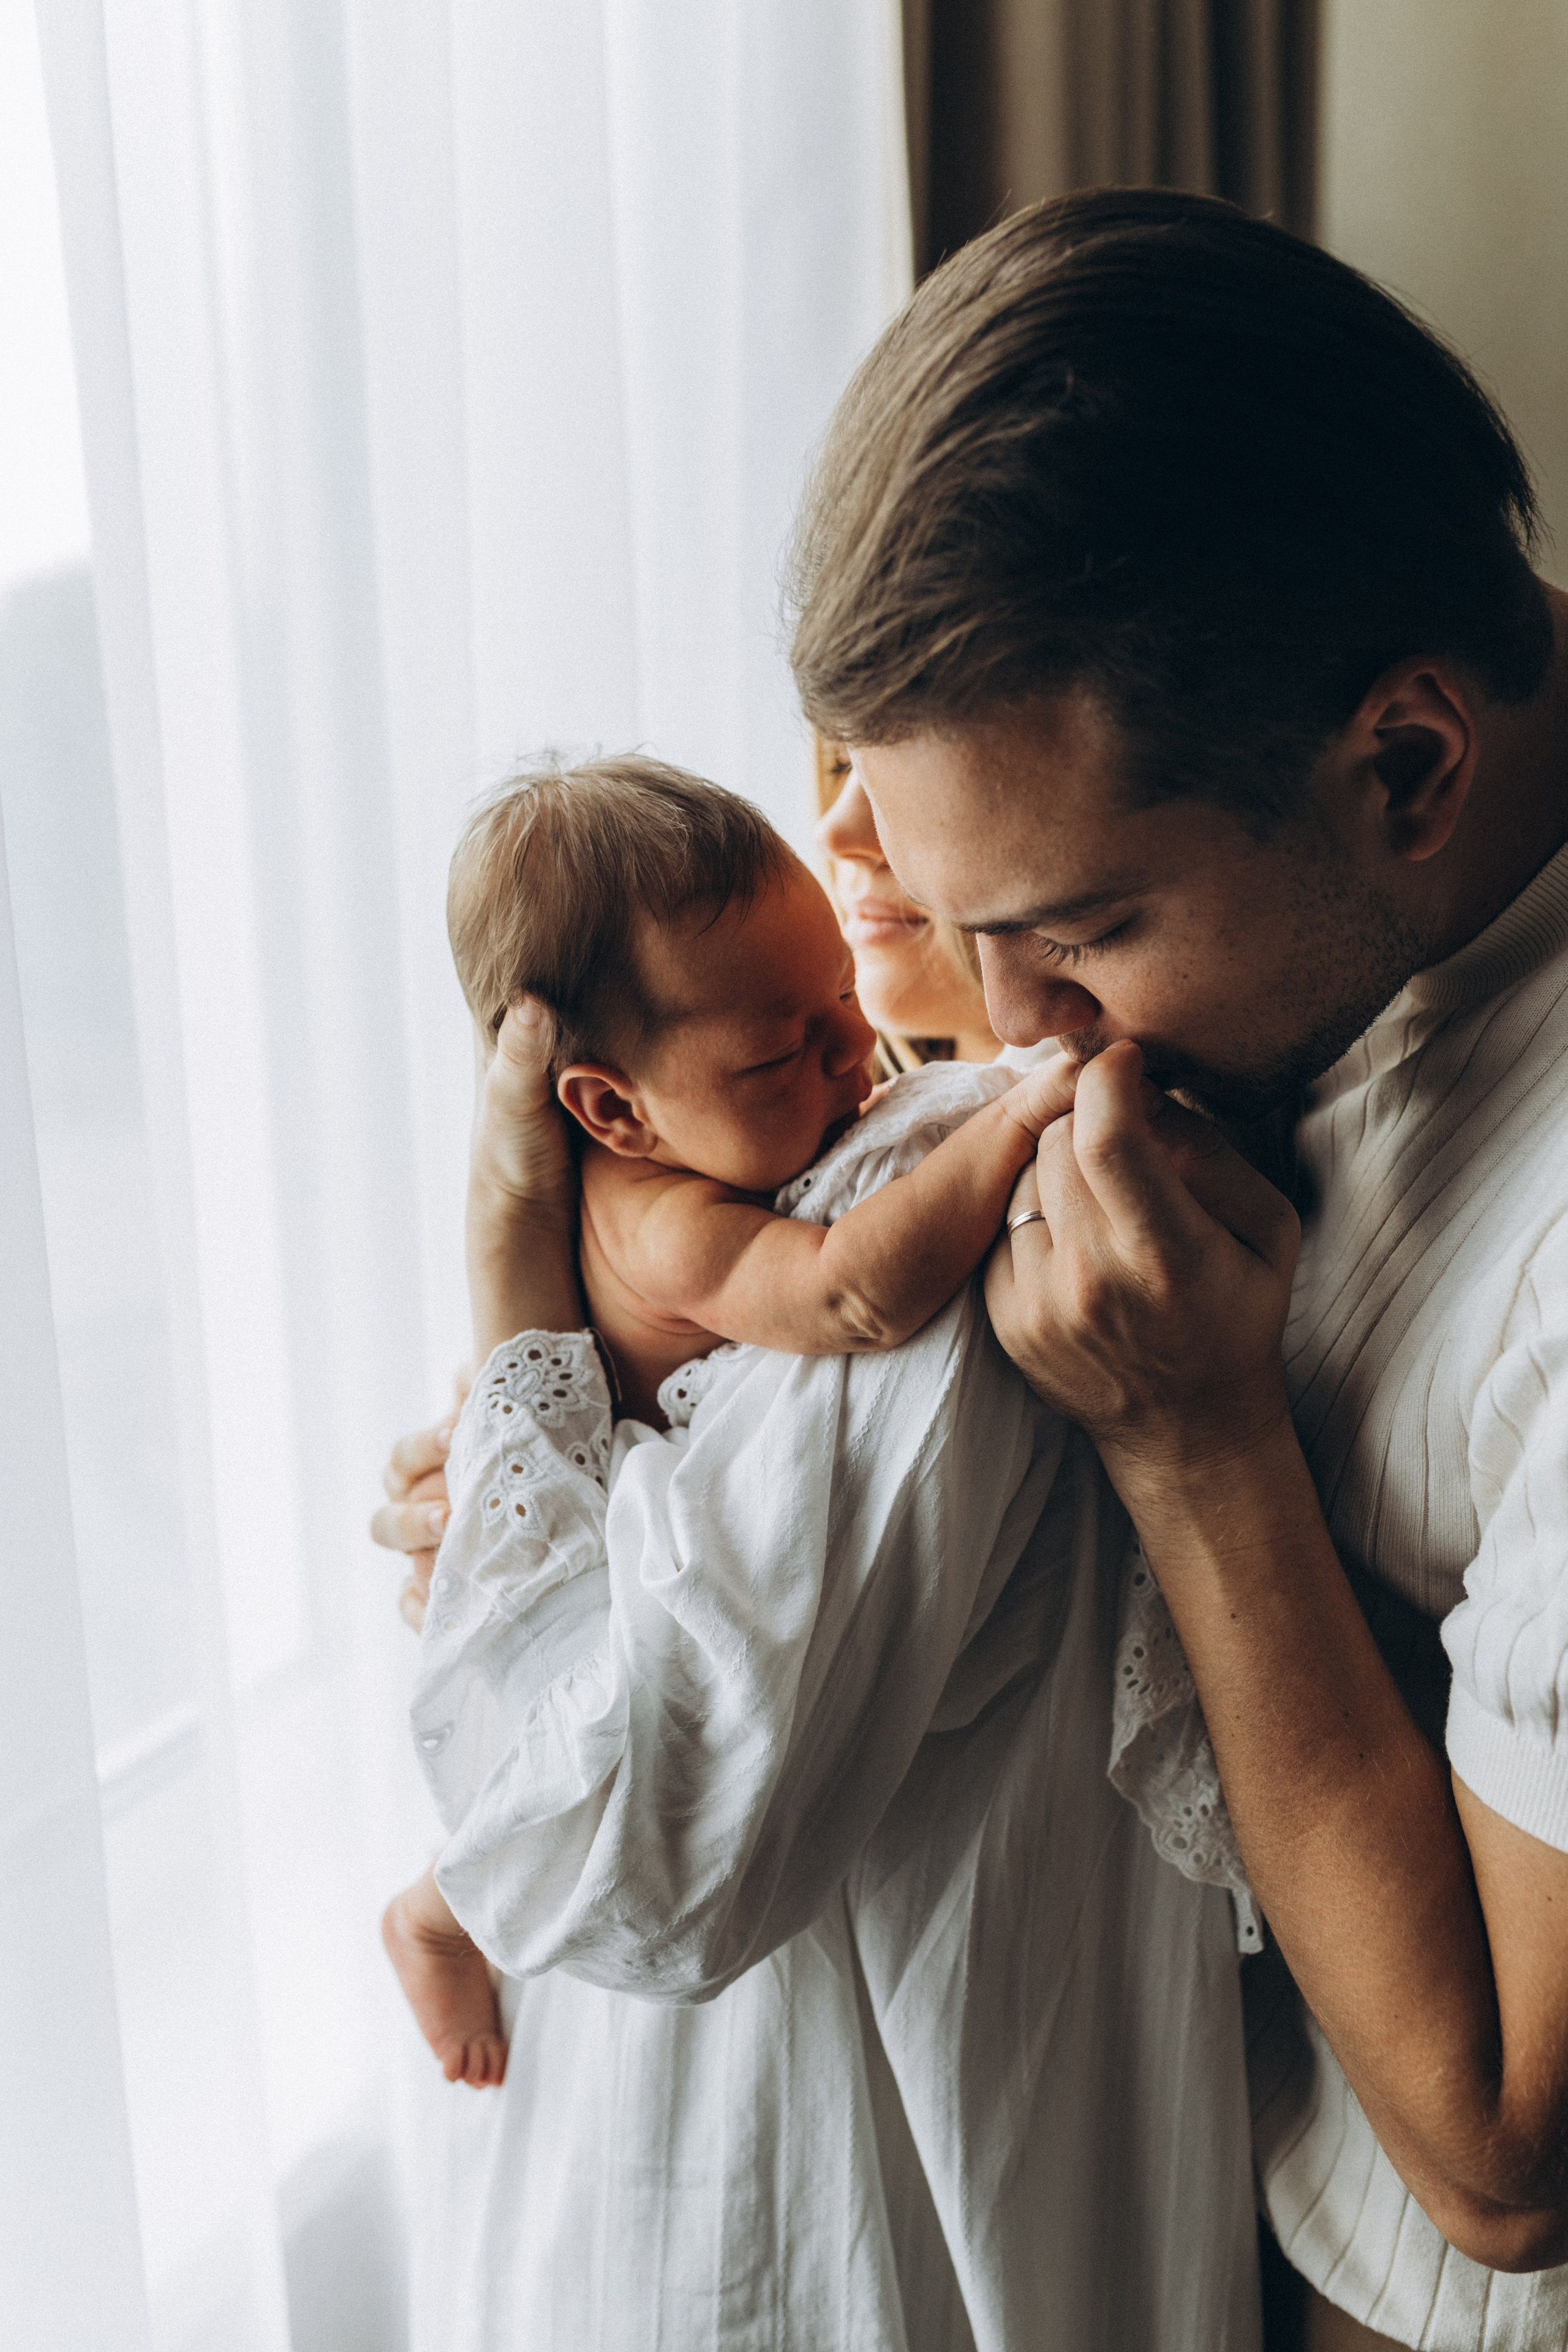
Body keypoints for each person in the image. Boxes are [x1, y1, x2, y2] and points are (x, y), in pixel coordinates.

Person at [785, 189, 1568, 2348]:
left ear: (1407, 763)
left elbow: (1511, 2149)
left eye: (1080, 935)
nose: (1019, 1029)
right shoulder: (1299, 894)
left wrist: (1198, 1441)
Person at [379, 754, 1073, 2085]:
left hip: (619, 1585)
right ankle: (432, 1911)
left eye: (837, 1004)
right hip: (623, 1671)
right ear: (608, 1110)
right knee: (541, 1775)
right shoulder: (667, 1214)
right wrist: (1019, 1114)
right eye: (784, 1051)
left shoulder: (684, 1136)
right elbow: (853, 1294)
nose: (850, 1052)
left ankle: (435, 1906)